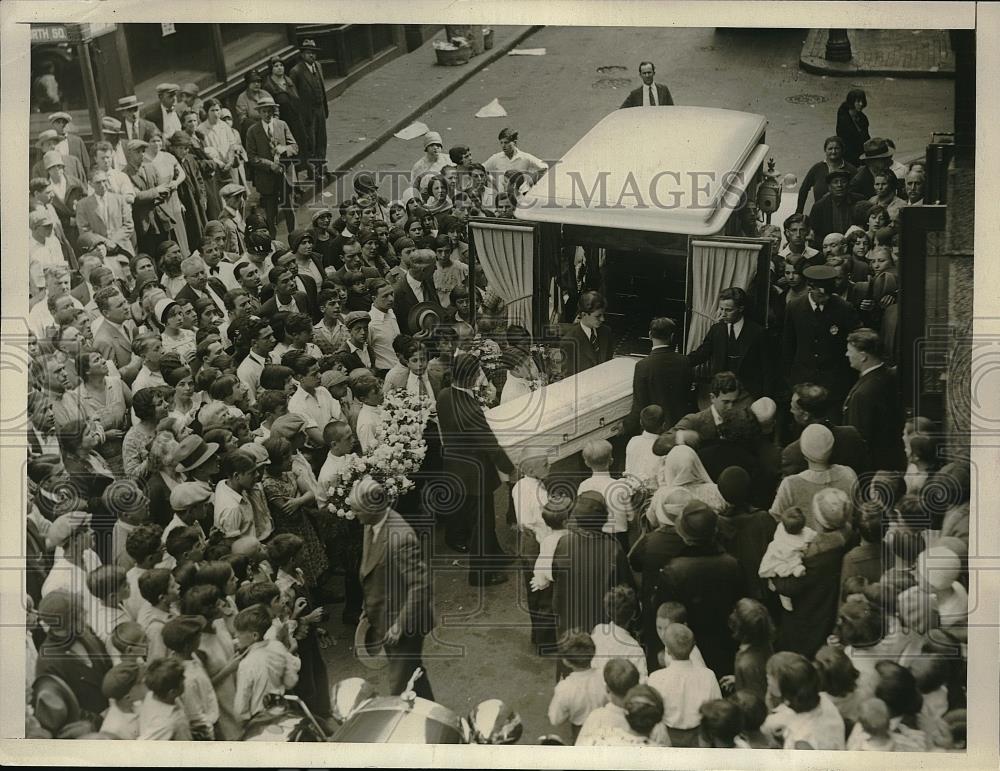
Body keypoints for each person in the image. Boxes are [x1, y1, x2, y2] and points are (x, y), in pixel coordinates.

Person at [350, 478, 436, 700]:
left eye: (357, 510)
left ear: (372, 508)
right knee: (412, 674)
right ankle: (428, 709)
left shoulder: (400, 538)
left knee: (399, 687)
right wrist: (366, 606)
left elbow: (421, 585)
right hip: (383, 617)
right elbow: (371, 569)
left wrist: (399, 625)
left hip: (404, 625)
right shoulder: (371, 525)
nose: (354, 516)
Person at [656, 503, 741, 677]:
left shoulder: (673, 570)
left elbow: (663, 614)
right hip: (725, 646)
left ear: (684, 534)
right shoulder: (732, 564)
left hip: (687, 650)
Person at [781, 265, 859, 405]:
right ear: (810, 288)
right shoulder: (794, 307)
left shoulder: (844, 309)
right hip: (802, 381)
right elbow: (788, 345)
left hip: (833, 385)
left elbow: (852, 345)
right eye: (822, 294)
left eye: (829, 294)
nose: (826, 298)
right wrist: (790, 380)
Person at [770, 423, 858, 530]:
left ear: (803, 452)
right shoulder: (849, 475)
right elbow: (856, 513)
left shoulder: (790, 485)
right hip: (844, 542)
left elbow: (775, 520)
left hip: (803, 545)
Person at [647, 623, 722, 747]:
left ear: (667, 650)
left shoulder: (656, 678)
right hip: (699, 742)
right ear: (693, 648)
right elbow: (717, 711)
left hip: (667, 741)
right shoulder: (708, 676)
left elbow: (651, 714)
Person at [843, 327, 906, 471]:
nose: (847, 354)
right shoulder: (889, 376)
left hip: (872, 468)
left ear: (863, 356)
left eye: (850, 351)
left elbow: (859, 440)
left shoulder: (863, 394)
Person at [687, 287, 768, 398]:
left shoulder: (758, 332)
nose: (723, 314)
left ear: (741, 308)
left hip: (748, 394)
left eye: (728, 310)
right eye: (721, 309)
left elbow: (767, 368)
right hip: (721, 392)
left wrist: (764, 397)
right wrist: (679, 362)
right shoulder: (716, 330)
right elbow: (702, 353)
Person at [761, 652, 846, 749]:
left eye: (769, 677)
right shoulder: (823, 699)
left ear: (784, 689)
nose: (767, 679)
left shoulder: (802, 741)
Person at [231, 604, 300, 723]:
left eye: (239, 633)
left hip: (261, 718)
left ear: (254, 635)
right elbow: (291, 681)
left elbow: (240, 708)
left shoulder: (246, 663)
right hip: (283, 709)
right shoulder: (277, 646)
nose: (236, 636)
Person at [244, 94, 297, 238]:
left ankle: (294, 238)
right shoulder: (253, 131)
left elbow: (295, 147)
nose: (267, 114)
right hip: (266, 178)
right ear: (259, 113)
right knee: (271, 214)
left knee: (289, 210)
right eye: (264, 111)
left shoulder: (282, 125)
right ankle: (273, 243)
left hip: (285, 175)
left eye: (270, 110)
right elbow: (252, 157)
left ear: (274, 111)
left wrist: (284, 149)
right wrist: (270, 165)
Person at [629, 317, 692, 432]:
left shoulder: (642, 366)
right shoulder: (684, 361)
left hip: (654, 428)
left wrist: (625, 426)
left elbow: (639, 405)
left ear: (649, 335)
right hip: (681, 426)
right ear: (672, 336)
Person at [547, 631, 607, 742]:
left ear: (566, 662)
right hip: (604, 726)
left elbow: (555, 719)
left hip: (580, 730)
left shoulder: (565, 688)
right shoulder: (605, 676)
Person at [288, 39, 329, 181]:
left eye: (314, 53)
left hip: (320, 110)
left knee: (322, 139)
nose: (312, 56)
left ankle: (322, 166)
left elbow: (322, 88)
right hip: (307, 114)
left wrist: (324, 107)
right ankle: (313, 171)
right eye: (309, 53)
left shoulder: (318, 66)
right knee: (310, 142)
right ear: (302, 54)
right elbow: (294, 96)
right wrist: (300, 114)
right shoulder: (296, 71)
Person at [76, 169, 136, 257]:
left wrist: (114, 241)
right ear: (90, 184)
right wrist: (104, 242)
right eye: (98, 182)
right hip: (98, 249)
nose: (103, 185)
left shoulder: (120, 200)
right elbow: (84, 230)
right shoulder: (82, 204)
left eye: (104, 181)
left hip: (122, 248)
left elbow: (128, 225)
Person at [796, 136, 857, 214]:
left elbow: (858, 191)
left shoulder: (851, 169)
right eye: (830, 149)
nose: (833, 151)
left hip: (844, 213)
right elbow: (803, 190)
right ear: (825, 150)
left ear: (842, 150)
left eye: (837, 148)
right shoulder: (817, 168)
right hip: (821, 212)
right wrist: (799, 211)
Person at [560, 290, 614, 377]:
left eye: (603, 315)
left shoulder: (606, 332)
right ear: (584, 314)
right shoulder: (569, 341)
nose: (603, 319)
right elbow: (568, 378)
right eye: (598, 316)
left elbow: (609, 364)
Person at [483, 127, 547, 187]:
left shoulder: (525, 157)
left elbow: (545, 167)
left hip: (522, 194)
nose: (503, 146)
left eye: (506, 142)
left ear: (515, 142)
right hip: (504, 196)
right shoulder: (496, 158)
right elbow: (481, 169)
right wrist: (496, 184)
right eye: (501, 143)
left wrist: (531, 182)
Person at [835, 88, 870, 166]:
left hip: (861, 154)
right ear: (852, 102)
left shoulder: (863, 118)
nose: (861, 104)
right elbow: (845, 145)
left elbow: (866, 137)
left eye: (862, 101)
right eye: (858, 101)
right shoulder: (844, 121)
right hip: (849, 157)